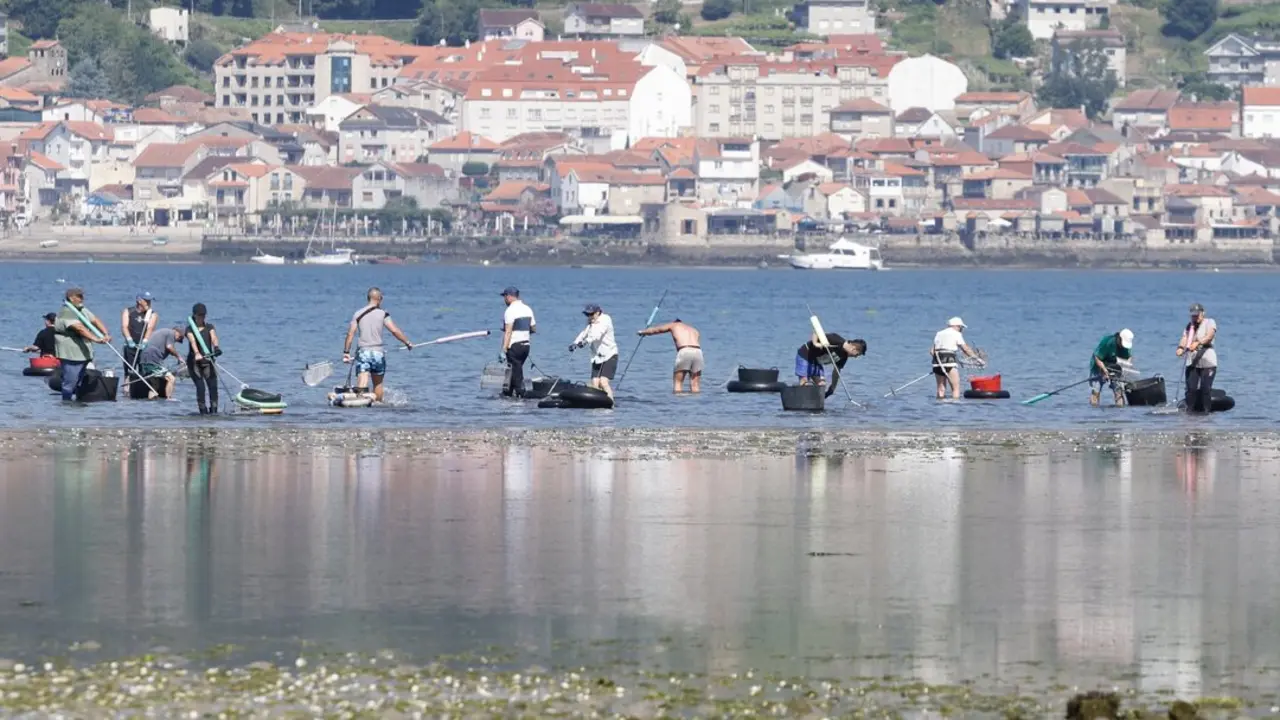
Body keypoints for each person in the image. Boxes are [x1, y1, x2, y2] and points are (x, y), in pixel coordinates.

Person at [341, 287, 413, 404]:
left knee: (362, 380)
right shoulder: (383, 314)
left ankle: (360, 405)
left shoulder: (357, 314)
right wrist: (407, 342)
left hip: (363, 353)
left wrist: (346, 352)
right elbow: (394, 331)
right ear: (380, 299)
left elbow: (350, 334)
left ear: (368, 298)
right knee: (378, 384)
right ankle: (377, 407)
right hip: (378, 353)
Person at [54, 288, 111, 402]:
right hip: (70, 353)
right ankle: (66, 405)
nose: (82, 299)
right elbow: (79, 328)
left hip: (83, 352)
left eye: (82, 296)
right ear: (71, 298)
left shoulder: (81, 309)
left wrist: (105, 334)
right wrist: (96, 339)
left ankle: (79, 407)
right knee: (70, 382)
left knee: (79, 381)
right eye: (79, 296)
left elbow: (95, 320)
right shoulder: (67, 312)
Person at [637, 318, 703, 394]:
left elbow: (657, 330)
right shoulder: (694, 330)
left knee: (678, 383)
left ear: (675, 322)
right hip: (698, 352)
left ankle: (677, 403)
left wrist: (643, 332)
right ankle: (696, 403)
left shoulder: (673, 325)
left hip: (685, 350)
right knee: (695, 384)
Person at [796, 331, 867, 398]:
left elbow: (836, 372)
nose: (855, 357)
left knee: (822, 385)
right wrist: (815, 343)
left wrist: (832, 388)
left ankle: (814, 402)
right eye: (857, 355)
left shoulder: (843, 358)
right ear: (854, 348)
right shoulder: (836, 339)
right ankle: (801, 399)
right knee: (805, 382)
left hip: (816, 362)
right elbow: (816, 332)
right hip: (805, 355)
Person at [570, 303, 618, 399]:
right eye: (587, 315)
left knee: (603, 382)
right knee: (595, 383)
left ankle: (611, 404)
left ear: (598, 312)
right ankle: (597, 408)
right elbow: (585, 333)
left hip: (609, 355)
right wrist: (575, 343)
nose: (589, 317)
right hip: (597, 357)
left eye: (591, 314)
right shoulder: (591, 322)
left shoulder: (605, 320)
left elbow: (597, 335)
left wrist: (585, 342)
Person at [1177, 302, 1217, 413]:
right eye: (1193, 315)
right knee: (1191, 389)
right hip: (1193, 362)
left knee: (1205, 389)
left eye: (1197, 314)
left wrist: (1198, 343)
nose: (1195, 317)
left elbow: (1209, 336)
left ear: (1202, 313)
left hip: (1208, 361)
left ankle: (1206, 414)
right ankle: (1189, 415)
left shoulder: (1210, 322)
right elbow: (1184, 338)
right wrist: (1180, 347)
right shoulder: (1190, 326)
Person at [932, 316, 984, 400]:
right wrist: (977, 359)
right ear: (957, 326)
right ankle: (955, 406)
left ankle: (939, 405)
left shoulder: (939, 333)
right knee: (955, 388)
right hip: (950, 361)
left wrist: (940, 364)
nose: (962, 329)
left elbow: (932, 351)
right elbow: (965, 349)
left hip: (936, 362)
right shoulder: (956, 334)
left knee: (940, 388)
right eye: (962, 327)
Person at [185, 303, 222, 415]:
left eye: (204, 315)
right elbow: (192, 341)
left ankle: (214, 412)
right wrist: (196, 353)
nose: (202, 317)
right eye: (200, 315)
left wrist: (216, 348)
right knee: (201, 388)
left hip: (208, 361)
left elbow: (214, 337)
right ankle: (202, 412)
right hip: (194, 363)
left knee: (213, 387)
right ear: (195, 315)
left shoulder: (209, 327)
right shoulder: (189, 329)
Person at [500, 286, 536, 397]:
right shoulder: (527, 309)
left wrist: (503, 349)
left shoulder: (510, 310)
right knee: (513, 371)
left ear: (509, 296)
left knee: (516, 372)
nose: (504, 299)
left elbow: (508, 332)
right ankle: (507, 393)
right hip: (526, 346)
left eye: (505, 297)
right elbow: (533, 329)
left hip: (514, 346)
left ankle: (521, 397)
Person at [137, 323, 185, 399]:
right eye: (179, 338)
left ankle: (151, 403)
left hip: (145, 356)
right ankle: (169, 399)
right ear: (177, 332)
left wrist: (176, 357)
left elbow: (168, 349)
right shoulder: (171, 333)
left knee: (154, 384)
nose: (177, 340)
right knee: (171, 378)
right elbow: (169, 347)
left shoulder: (164, 333)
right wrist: (179, 357)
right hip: (152, 357)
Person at [1089, 328, 1133, 407]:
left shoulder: (1126, 347)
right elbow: (1097, 358)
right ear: (1119, 338)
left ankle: (1120, 413)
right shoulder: (1107, 342)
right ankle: (1094, 412)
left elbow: (1129, 357)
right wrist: (1104, 370)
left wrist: (1126, 368)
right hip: (1099, 365)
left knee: (1119, 391)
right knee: (1096, 391)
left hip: (1114, 367)